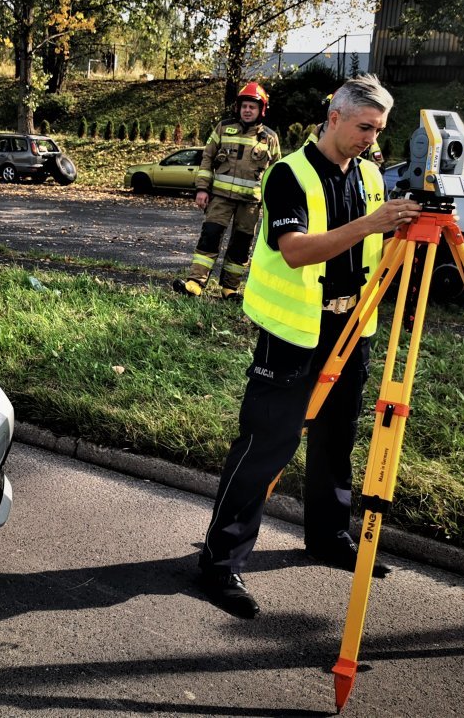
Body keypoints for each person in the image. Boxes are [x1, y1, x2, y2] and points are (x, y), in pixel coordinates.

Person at [197, 74, 421, 618]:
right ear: (335, 117)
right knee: (265, 446)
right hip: (293, 333)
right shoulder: (287, 175)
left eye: (379, 129)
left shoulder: (369, 174)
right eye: (365, 126)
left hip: (352, 330)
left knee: (334, 441)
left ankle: (328, 536)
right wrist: (374, 221)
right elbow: (296, 251)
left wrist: (401, 226)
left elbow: (370, 243)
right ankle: (219, 561)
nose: (372, 138)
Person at [172, 82, 281, 300]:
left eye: (252, 107)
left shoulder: (270, 138)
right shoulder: (223, 128)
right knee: (209, 237)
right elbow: (207, 158)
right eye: (244, 106)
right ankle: (195, 282)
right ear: (238, 108)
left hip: (250, 204)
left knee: (241, 246)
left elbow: (275, 173)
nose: (247, 110)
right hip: (219, 199)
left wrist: (271, 203)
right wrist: (202, 189)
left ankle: (230, 289)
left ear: (261, 110)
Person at [308, 92, 384, 166]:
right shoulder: (320, 128)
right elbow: (307, 150)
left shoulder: (368, 137)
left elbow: (378, 162)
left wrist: (365, 170)